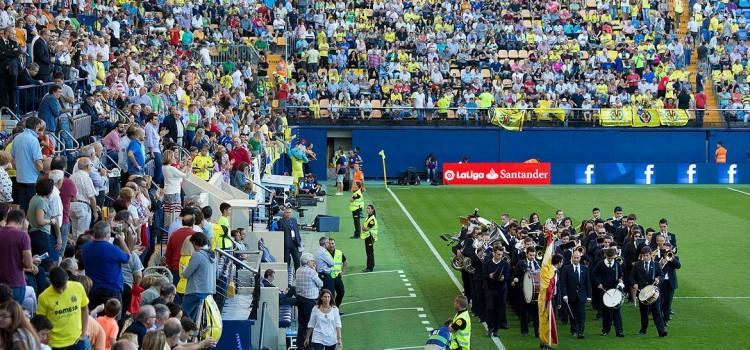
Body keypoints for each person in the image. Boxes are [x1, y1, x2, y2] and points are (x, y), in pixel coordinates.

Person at [81, 221, 130, 315]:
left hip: (93, 289)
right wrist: (122, 240)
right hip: (112, 289)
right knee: (111, 321)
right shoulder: (112, 249)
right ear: (107, 234)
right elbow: (127, 257)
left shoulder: (86, 248)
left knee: (95, 319)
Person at [37, 266, 89, 350]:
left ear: (67, 278)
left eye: (64, 288)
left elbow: (85, 309)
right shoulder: (43, 297)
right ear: (51, 283)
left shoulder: (78, 287)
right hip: (56, 344)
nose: (61, 291)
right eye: (57, 289)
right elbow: (40, 322)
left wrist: (83, 334)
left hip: (77, 341)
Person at [630, 246, 668, 337]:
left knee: (657, 312)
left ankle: (661, 331)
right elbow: (631, 277)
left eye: (647, 255)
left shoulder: (656, 265)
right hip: (642, 293)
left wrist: (659, 280)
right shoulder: (637, 265)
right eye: (644, 256)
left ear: (651, 255)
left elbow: (662, 275)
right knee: (643, 313)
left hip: (654, 292)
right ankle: (643, 330)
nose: (645, 257)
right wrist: (634, 283)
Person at [0, 209, 35, 304]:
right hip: (15, 283)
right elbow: (28, 264)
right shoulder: (23, 236)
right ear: (22, 221)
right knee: (14, 314)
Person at [11, 117, 44, 211]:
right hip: (32, 180)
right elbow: (38, 162)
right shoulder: (33, 140)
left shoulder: (17, 138)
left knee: (22, 207)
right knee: (31, 208)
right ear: (36, 126)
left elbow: (12, 160)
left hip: (20, 178)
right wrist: (42, 171)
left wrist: (20, 169)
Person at [181, 232, 216, 322]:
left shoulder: (197, 255)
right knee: (197, 321)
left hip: (194, 291)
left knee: (184, 318)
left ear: (195, 243)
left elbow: (186, 274)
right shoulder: (213, 255)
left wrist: (184, 268)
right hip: (207, 292)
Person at [591, 248, 625, 337]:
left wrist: (620, 280)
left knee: (617, 311)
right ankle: (605, 330)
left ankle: (619, 331)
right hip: (604, 290)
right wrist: (598, 283)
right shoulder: (600, 264)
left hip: (615, 290)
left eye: (612, 258)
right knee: (606, 312)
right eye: (609, 258)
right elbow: (594, 275)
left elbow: (621, 274)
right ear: (606, 256)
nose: (610, 260)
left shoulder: (617, 264)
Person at [559, 250, 591, 339]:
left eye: (578, 258)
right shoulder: (566, 268)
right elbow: (563, 282)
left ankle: (581, 331)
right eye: (574, 258)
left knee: (581, 314)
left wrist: (589, 296)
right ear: (572, 258)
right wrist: (564, 294)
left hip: (581, 295)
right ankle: (573, 330)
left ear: (580, 258)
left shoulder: (584, 268)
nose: (576, 259)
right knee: (572, 313)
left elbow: (588, 283)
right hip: (570, 295)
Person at [295, 253, 323, 349]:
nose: (313, 262)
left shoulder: (298, 270)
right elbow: (320, 284)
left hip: (300, 299)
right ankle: (309, 345)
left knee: (302, 323)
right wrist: (315, 271)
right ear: (307, 262)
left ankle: (300, 345)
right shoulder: (311, 272)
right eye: (312, 261)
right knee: (310, 324)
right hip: (309, 301)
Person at [482, 246, 510, 337]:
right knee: (490, 309)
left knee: (499, 310)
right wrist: (489, 276)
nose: (500, 256)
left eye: (501, 254)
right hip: (490, 289)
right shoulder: (487, 263)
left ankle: (496, 329)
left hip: (501, 290)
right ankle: (490, 328)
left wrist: (503, 278)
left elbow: (508, 276)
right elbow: (483, 275)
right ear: (493, 253)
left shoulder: (505, 264)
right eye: (498, 254)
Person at [513, 247, 539, 337]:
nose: (532, 257)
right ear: (527, 254)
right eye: (531, 255)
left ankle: (537, 332)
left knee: (536, 313)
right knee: (524, 312)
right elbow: (515, 274)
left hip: (535, 291)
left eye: (534, 255)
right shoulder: (521, 263)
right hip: (523, 290)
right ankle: (524, 331)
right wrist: (515, 280)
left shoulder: (537, 263)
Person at [70, 157, 99, 237]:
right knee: (82, 234)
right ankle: (81, 249)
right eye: (91, 165)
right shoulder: (86, 177)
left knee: (75, 234)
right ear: (87, 166)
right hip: (83, 206)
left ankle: (76, 248)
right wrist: (95, 212)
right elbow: (91, 197)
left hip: (72, 205)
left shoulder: (72, 176)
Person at [658, 243, 680, 324]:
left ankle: (665, 320)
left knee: (668, 303)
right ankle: (659, 320)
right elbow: (657, 269)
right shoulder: (659, 258)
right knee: (659, 302)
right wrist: (662, 261)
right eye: (665, 250)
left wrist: (672, 258)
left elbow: (678, 266)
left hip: (670, 283)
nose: (666, 251)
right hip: (661, 283)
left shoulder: (675, 257)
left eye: (668, 250)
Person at [279, 207, 302, 271]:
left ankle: (297, 272)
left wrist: (299, 240)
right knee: (286, 259)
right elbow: (280, 233)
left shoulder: (294, 220)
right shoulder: (281, 221)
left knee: (297, 258)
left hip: (295, 242)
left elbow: (297, 231)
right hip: (286, 244)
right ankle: (286, 272)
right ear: (284, 213)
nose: (289, 214)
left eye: (290, 212)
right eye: (287, 212)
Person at [326, 238, 346, 307]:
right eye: (329, 243)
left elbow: (344, 262)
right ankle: (331, 310)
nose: (331, 245)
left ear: (335, 244)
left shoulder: (339, 252)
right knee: (330, 295)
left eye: (332, 243)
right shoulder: (324, 253)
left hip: (337, 276)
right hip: (328, 277)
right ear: (327, 244)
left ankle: (336, 307)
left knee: (341, 292)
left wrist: (343, 272)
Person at [361, 204, 378, 272]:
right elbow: (364, 227)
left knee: (370, 252)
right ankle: (370, 266)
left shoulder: (372, 219)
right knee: (368, 252)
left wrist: (364, 228)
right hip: (367, 237)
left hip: (370, 237)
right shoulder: (368, 217)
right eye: (367, 208)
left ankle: (370, 267)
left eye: (369, 208)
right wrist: (364, 228)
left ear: (372, 210)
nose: (367, 210)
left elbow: (366, 228)